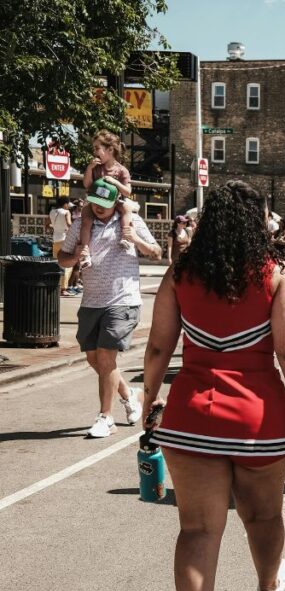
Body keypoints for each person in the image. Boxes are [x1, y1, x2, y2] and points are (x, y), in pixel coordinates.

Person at [142, 180, 285, 591]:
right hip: (257, 418)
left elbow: (157, 347)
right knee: (263, 515)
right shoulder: (278, 275)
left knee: (197, 529)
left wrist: (147, 398)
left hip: (191, 415)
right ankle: (267, 586)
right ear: (259, 220)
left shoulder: (180, 274)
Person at [57, 179, 160, 437]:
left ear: (116, 202)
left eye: (106, 204)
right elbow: (62, 257)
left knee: (105, 357)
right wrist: (75, 256)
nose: (100, 208)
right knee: (95, 359)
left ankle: (106, 418)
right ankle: (128, 395)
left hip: (122, 300)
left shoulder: (131, 221)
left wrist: (135, 239)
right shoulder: (81, 224)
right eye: (96, 203)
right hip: (91, 301)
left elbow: (156, 252)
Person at [76, 131, 135, 261]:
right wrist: (90, 168)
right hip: (95, 201)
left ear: (109, 149)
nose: (94, 152)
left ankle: (125, 237)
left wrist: (115, 182)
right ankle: (85, 251)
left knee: (126, 209)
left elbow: (127, 192)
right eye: (94, 148)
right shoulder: (96, 168)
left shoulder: (121, 170)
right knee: (86, 220)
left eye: (97, 148)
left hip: (114, 202)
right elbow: (87, 185)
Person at [48, 197, 74, 295]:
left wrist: (56, 228)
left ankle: (57, 286)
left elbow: (47, 224)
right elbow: (69, 224)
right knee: (67, 264)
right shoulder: (66, 212)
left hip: (55, 239)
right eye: (67, 204)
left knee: (57, 263)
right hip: (65, 239)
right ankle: (63, 289)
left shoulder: (52, 212)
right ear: (65, 204)